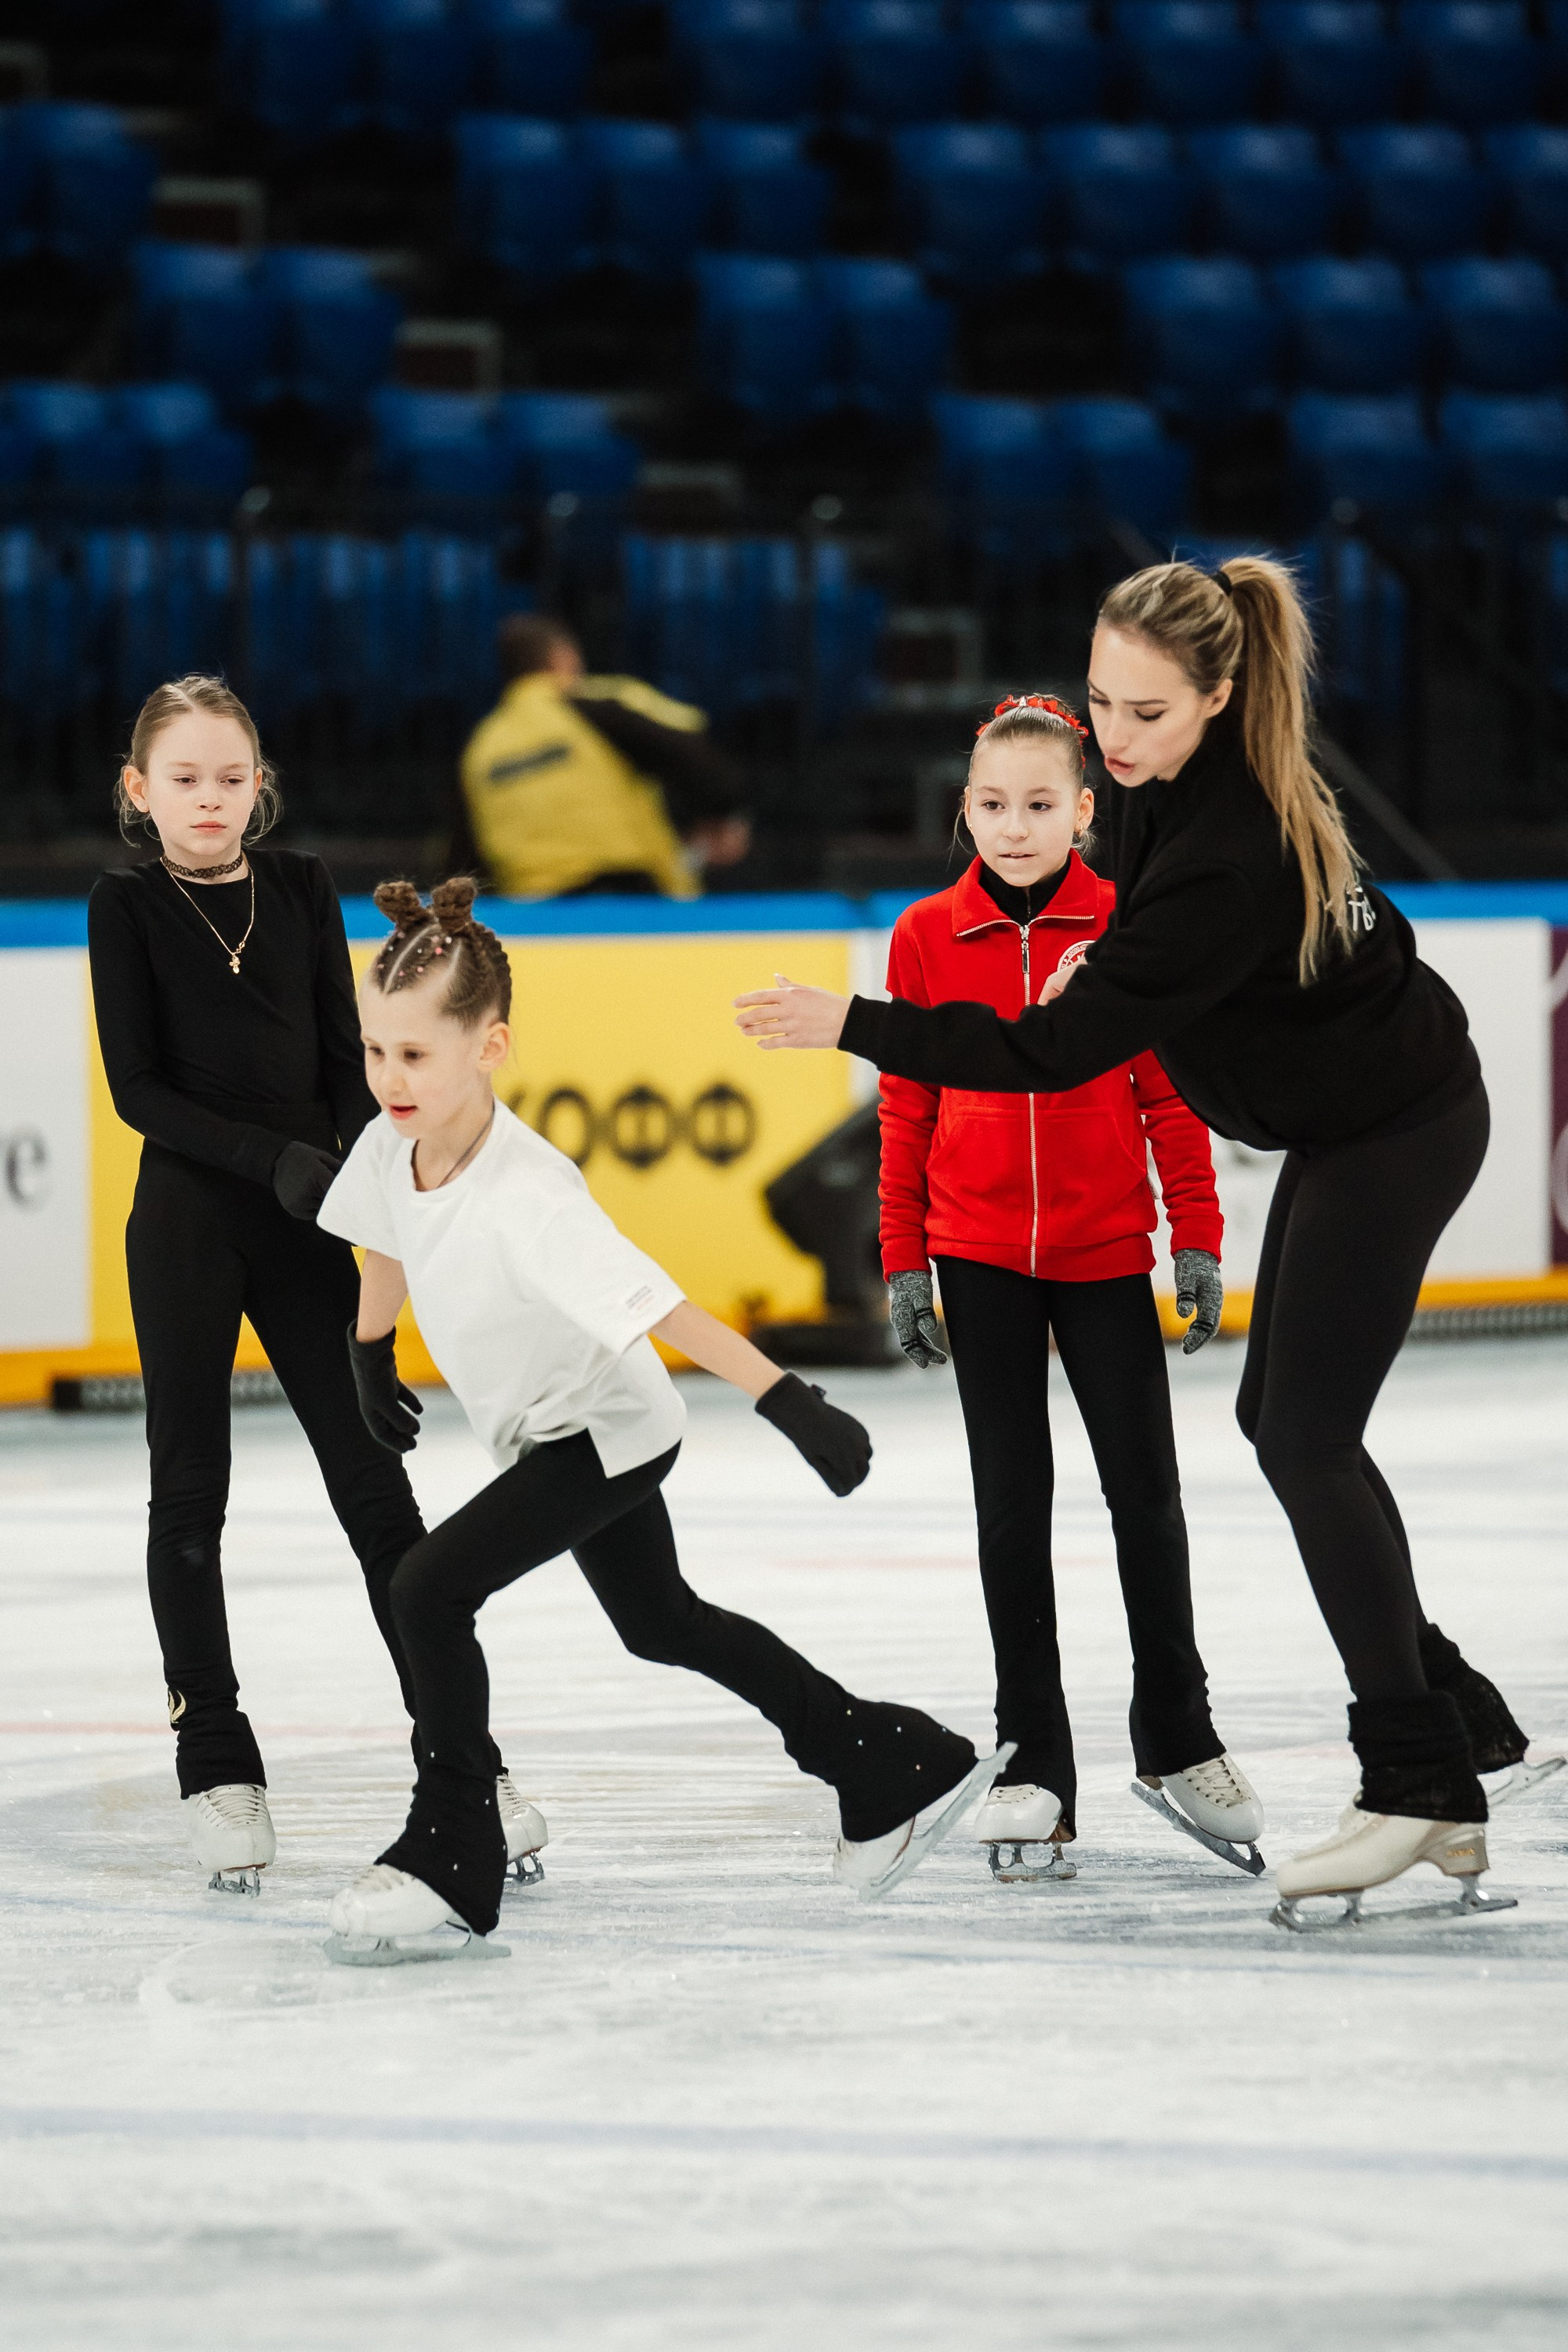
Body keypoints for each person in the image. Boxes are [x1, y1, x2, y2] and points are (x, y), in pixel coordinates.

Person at [736, 557, 1559, 1926]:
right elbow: (1347, 946)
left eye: (1149, 714)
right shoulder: (1193, 795)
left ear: (1221, 698)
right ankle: (1454, 1723)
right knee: (1277, 1420)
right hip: (1361, 1116)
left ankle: (1418, 1780)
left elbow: (1052, 1053)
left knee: (1303, 1438)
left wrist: (857, 1024)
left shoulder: (1225, 849)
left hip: (1398, 1130)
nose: (1112, 742)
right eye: (1101, 703)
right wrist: (1164, 987)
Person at [316, 877, 1006, 1962]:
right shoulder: (389, 1141)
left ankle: (453, 1846)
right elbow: (383, 1238)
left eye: (415, 1056)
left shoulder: (530, 1194)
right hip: (554, 1430)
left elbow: (663, 1304)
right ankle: (886, 1759)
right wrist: (370, 1350)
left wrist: (791, 1401)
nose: (389, 1079)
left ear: (489, 1046)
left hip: (607, 1429)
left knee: (427, 1588)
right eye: (375, 1051)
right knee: (663, 1623)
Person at [86, 677, 545, 1895]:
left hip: (312, 1224)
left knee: (376, 1497)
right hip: (190, 1220)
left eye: (231, 778)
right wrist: (272, 1160)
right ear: (141, 791)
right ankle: (216, 1756)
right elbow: (139, 1089)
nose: (211, 799)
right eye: (184, 778)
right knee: (190, 1493)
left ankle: (464, 1756)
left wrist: (362, 1175)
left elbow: (347, 1062)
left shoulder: (296, 886)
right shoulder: (123, 902)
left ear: (260, 785)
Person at [880, 691, 1263, 1882]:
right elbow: (908, 1105)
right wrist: (903, 1259)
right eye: (992, 805)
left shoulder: (1131, 925)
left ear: (1087, 812)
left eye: (1040, 804)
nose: (1014, 825)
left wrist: (1194, 1235)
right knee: (1014, 1509)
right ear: (966, 811)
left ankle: (1178, 1733)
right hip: (979, 1254)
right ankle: (1033, 1758)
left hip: (1104, 1255)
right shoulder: (926, 937)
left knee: (1146, 1497)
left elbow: (1170, 1090)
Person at [456, 615, 751, 901]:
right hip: (630, 899)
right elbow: (694, 754)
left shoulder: (482, 746)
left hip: (535, 920)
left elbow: (466, 854)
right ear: (562, 656)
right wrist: (723, 817)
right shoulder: (597, 703)